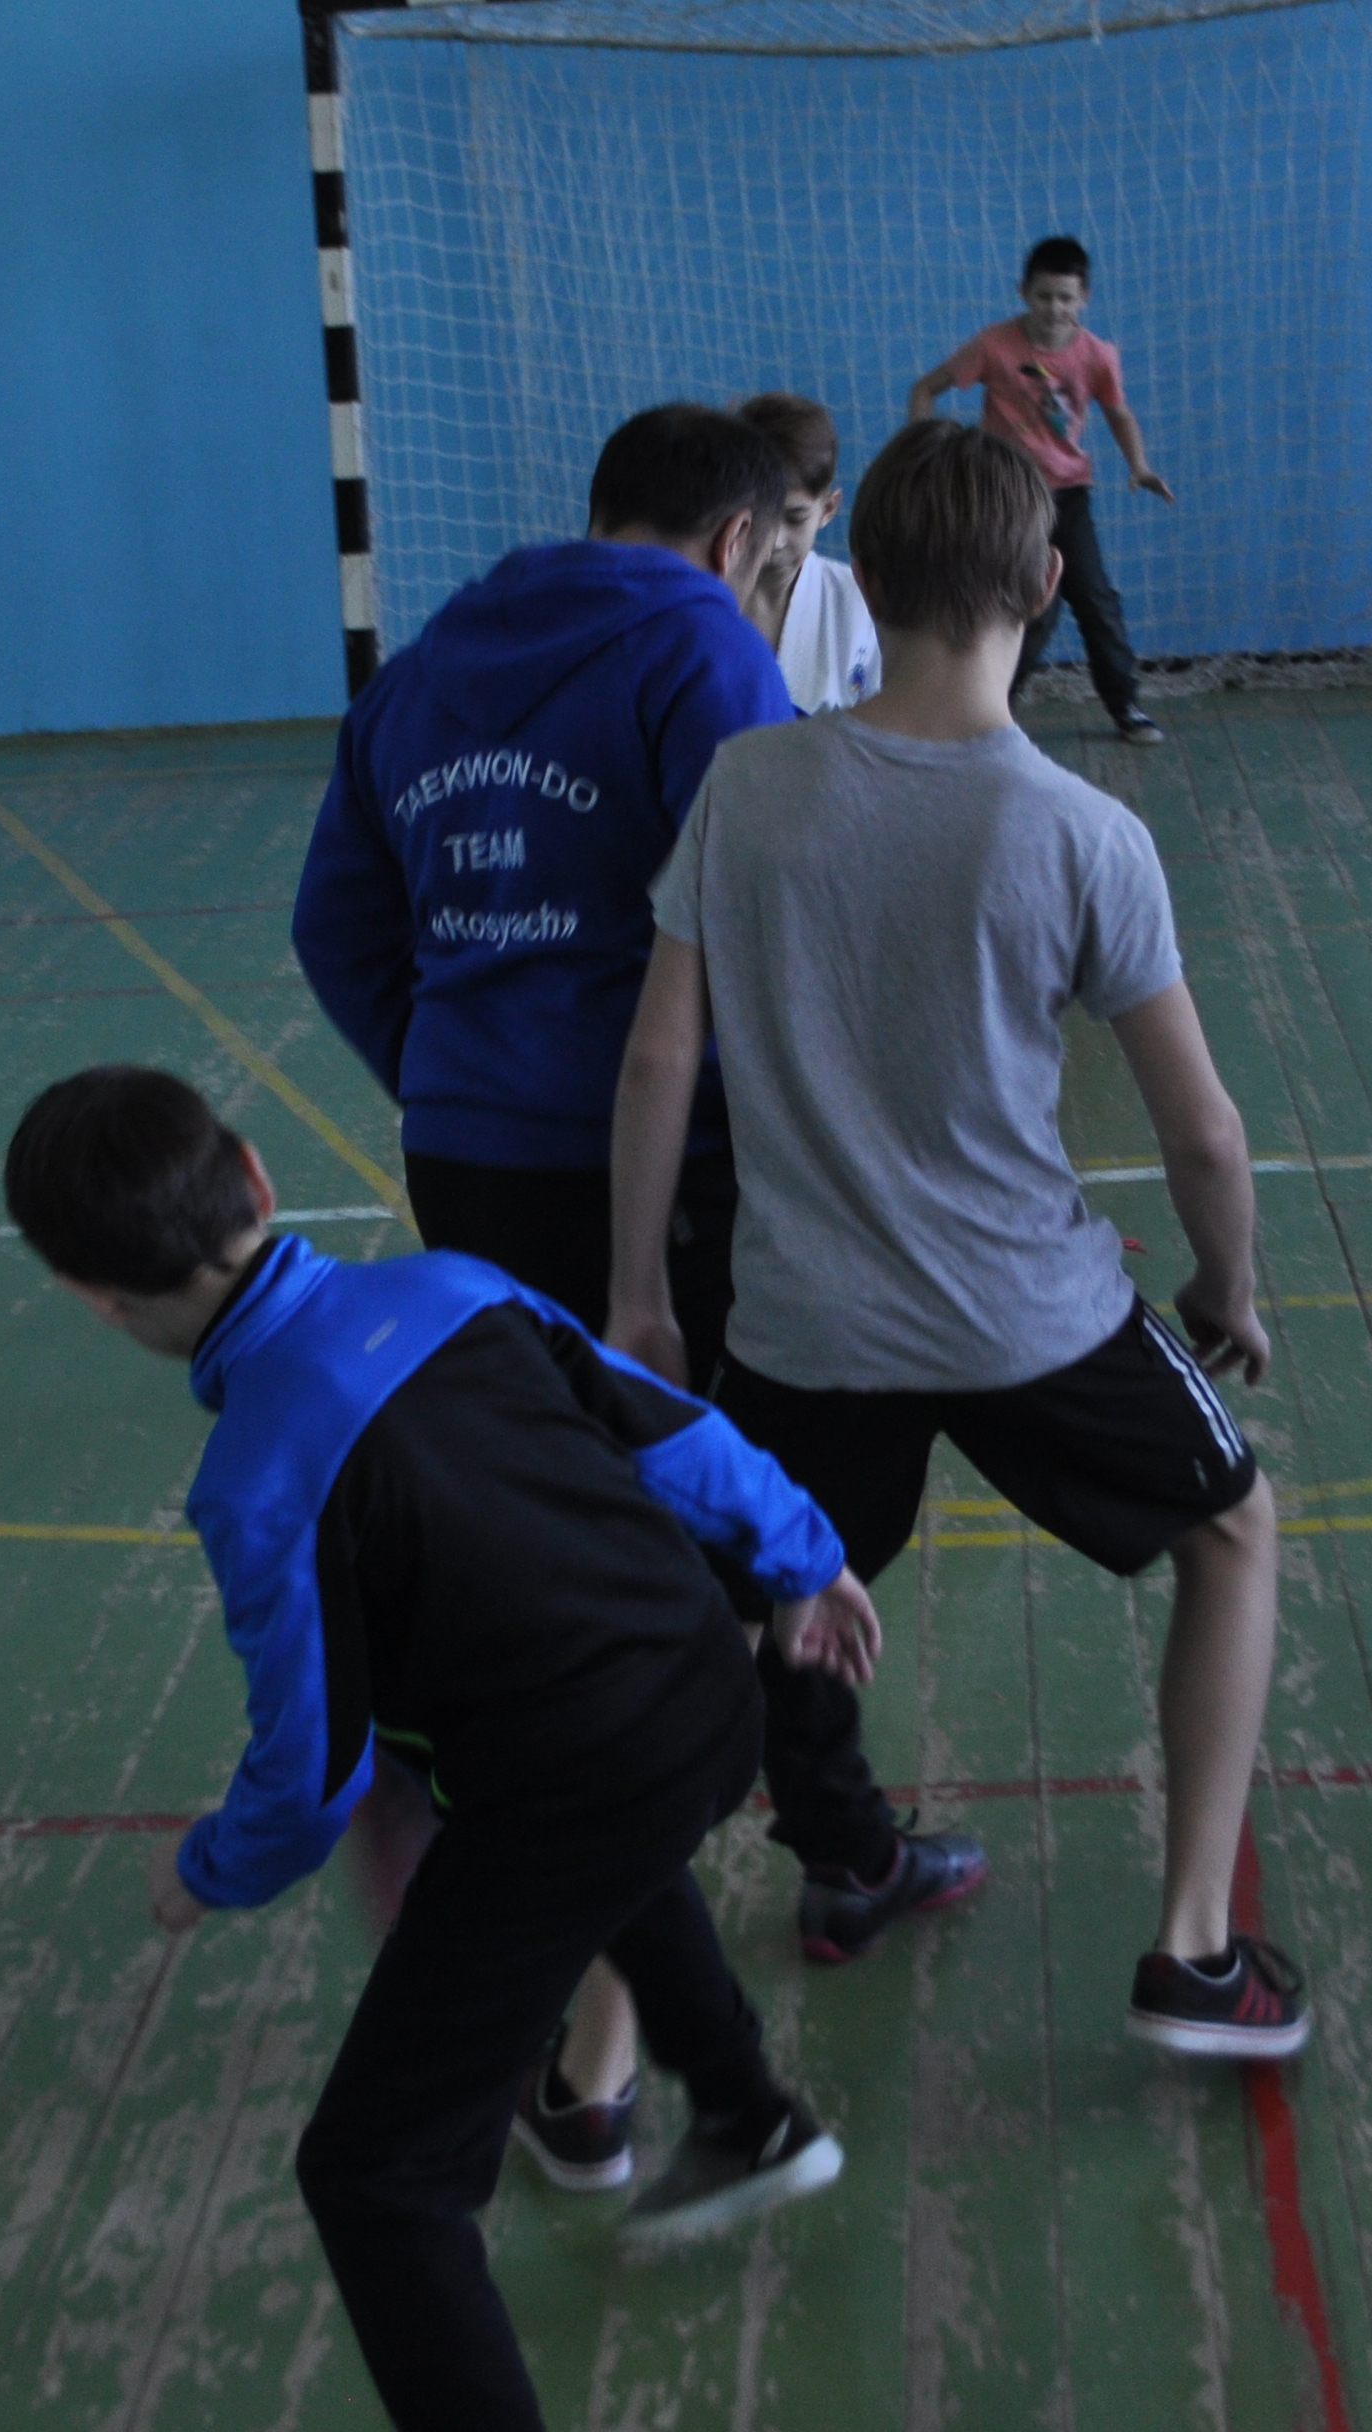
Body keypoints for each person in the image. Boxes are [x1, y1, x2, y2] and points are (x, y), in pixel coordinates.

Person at [291, 402, 983, 2187]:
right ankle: (650, 2006)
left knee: (602, 1534)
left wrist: (454, 1069)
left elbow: (333, 928)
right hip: (663, 1165)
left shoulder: (425, 664)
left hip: (470, 1160)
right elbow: (785, 890)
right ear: (747, 539)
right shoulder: (693, 643)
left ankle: (818, 1853)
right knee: (732, 1523)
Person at [5, 1065, 870, 2432]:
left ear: (94, 1297)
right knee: (615, 1836)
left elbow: (312, 1771)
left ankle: (730, 2116)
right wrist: (805, 1557)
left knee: (375, 2176)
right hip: (710, 1698)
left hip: (571, 1786)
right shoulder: (455, 1288)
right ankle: (746, 2113)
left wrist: (210, 1870)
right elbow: (674, 1435)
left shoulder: (257, 1480)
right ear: (255, 1175)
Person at [608, 419, 1311, 2054]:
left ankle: (672, 1978)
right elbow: (1204, 1133)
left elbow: (656, 1060)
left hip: (801, 1327)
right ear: (1046, 584)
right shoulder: (1079, 830)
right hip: (1027, 1316)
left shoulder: (747, 786)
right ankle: (1194, 1950)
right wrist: (1226, 1286)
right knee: (1231, 1531)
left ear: (863, 581)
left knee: (778, 1591)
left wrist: (639, 1292)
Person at [906, 234, 1172, 746]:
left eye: (1066, 298)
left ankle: (1126, 706)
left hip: (1069, 496)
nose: (1055, 308)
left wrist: (1138, 466)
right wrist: (919, 454)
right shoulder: (994, 345)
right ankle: (991, 710)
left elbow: (1118, 413)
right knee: (1029, 610)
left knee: (1096, 600)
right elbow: (925, 389)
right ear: (1024, 292)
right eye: (1044, 296)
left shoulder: (1096, 355)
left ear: (1084, 298)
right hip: (1008, 496)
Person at [732, 391, 883, 714]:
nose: (775, 541)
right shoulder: (697, 597)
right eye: (759, 518)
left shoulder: (860, 603)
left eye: (795, 518)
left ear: (828, 509)